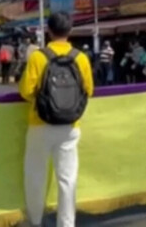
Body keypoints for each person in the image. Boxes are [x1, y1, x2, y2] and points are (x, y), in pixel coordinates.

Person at [18, 12, 94, 227]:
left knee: (35, 175)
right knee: (67, 179)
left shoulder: (38, 57)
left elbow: (25, 91)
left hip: (39, 124)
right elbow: (89, 89)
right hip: (70, 125)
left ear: (48, 31)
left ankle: (35, 220)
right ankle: (66, 223)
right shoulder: (81, 58)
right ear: (70, 31)